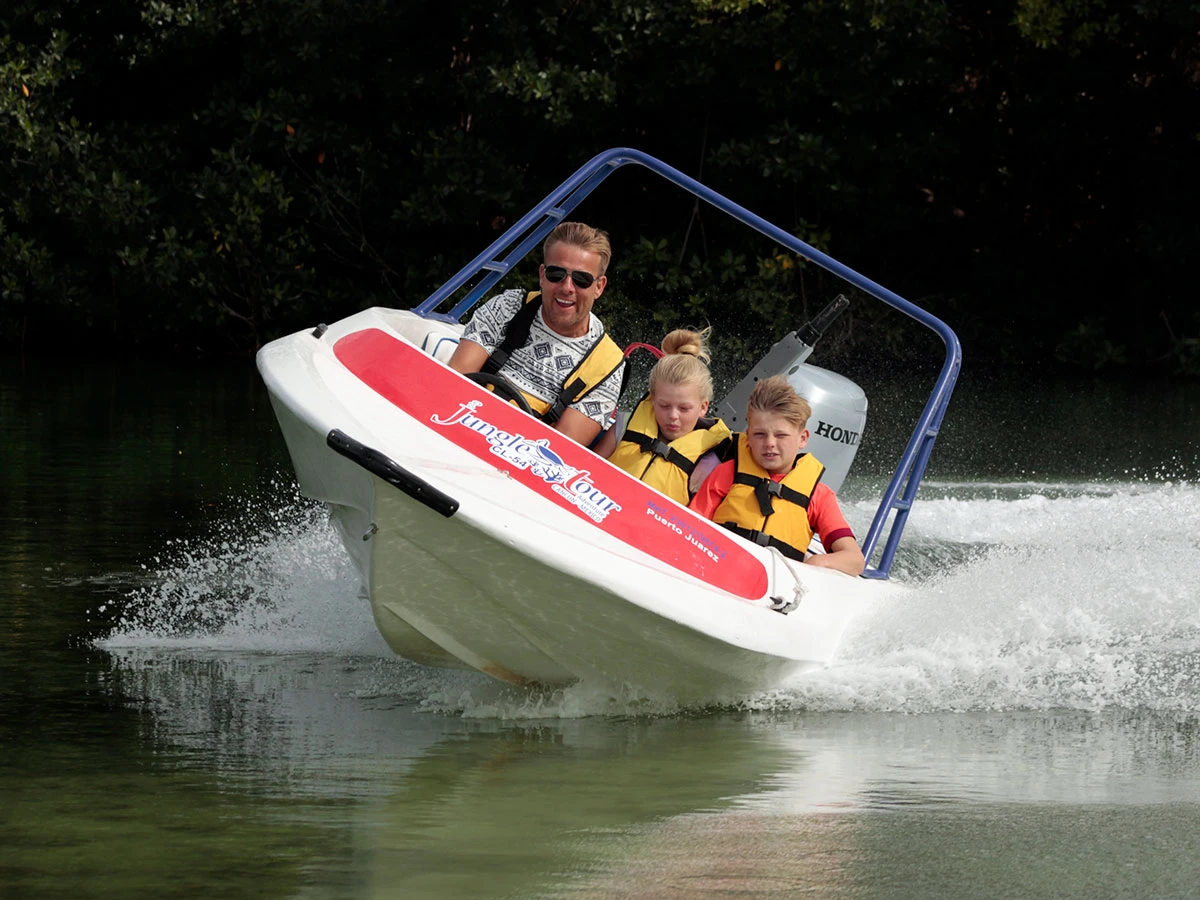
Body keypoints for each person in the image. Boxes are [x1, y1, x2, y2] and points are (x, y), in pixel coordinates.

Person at [447, 221, 625, 446]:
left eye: (582, 280)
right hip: (457, 424)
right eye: (556, 274)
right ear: (542, 275)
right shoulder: (508, 307)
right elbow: (454, 382)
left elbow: (558, 450)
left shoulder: (608, 367)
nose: (567, 287)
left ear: (599, 287)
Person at [689, 375, 866, 576]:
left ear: (802, 438)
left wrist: (818, 563)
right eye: (760, 434)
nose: (770, 443)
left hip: (777, 585)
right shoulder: (726, 474)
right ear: (748, 437)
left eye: (781, 435)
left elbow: (855, 559)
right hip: (716, 570)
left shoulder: (819, 497)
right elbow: (693, 526)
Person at [596, 327, 733, 506]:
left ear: (703, 407)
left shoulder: (707, 464)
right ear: (653, 399)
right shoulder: (624, 425)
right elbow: (587, 467)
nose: (673, 416)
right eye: (664, 406)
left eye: (684, 408)